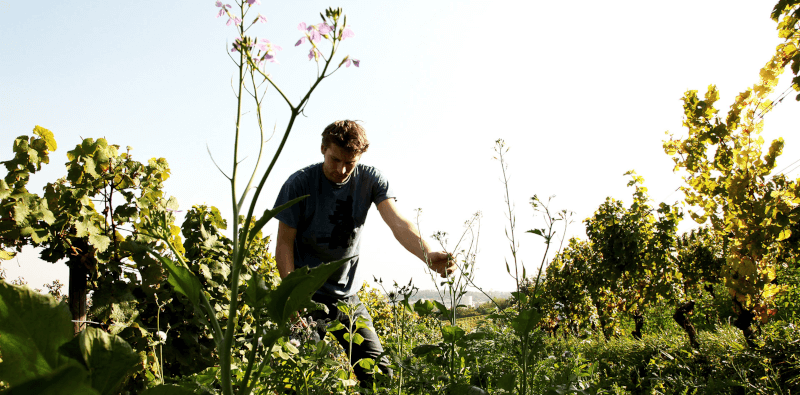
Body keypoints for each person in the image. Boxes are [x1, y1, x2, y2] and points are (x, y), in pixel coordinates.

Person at [273, 120, 454, 388]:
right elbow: (284, 244)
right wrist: (291, 297)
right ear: (323, 149)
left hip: (348, 298)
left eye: (350, 163)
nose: (341, 170)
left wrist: (428, 255)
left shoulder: (370, 180)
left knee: (380, 379)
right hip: (306, 298)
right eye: (335, 160)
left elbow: (398, 223)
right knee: (301, 380)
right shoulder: (298, 184)